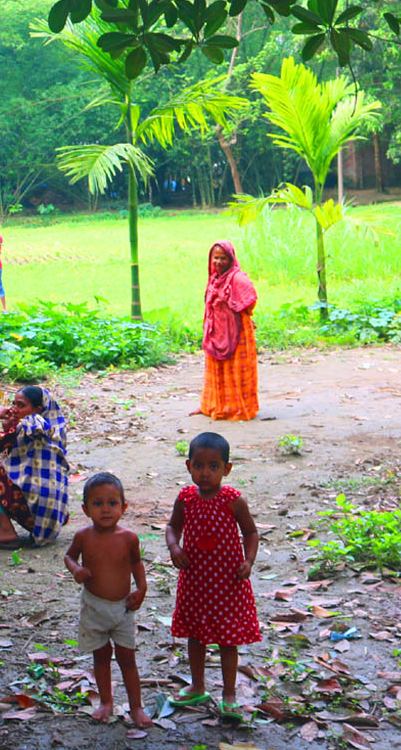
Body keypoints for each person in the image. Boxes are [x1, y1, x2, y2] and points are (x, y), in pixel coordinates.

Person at [165, 431, 260, 723]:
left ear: (227, 469)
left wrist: (248, 561)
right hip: (195, 581)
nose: (205, 473)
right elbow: (172, 527)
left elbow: (251, 532)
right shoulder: (185, 498)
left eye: (214, 466)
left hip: (228, 583)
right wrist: (174, 547)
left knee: (227, 640)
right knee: (195, 635)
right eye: (199, 465)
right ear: (188, 465)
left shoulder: (232, 500)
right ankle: (197, 685)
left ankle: (229, 694)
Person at [64, 472, 151, 728]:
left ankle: (136, 707)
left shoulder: (129, 538)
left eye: (112, 503)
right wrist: (76, 570)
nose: (105, 509)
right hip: (93, 607)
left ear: (123, 507)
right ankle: (106, 701)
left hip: (122, 608)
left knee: (127, 659)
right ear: (86, 509)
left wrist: (142, 588)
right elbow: (69, 557)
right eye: (98, 503)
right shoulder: (83, 536)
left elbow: (136, 563)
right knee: (101, 656)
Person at [0, 385, 69, 548]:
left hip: (33, 514)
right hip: (50, 519)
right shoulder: (52, 428)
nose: (14, 409)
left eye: (21, 405)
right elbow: (19, 460)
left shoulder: (29, 425)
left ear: (37, 409)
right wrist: (8, 427)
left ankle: (5, 530)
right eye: (14, 404)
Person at [196, 240, 258, 420]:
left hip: (237, 332)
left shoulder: (238, 278)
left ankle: (237, 408)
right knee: (217, 367)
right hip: (216, 331)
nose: (218, 262)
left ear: (231, 259)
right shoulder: (214, 278)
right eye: (216, 258)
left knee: (236, 368)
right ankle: (216, 405)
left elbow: (249, 301)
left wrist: (237, 311)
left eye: (223, 258)